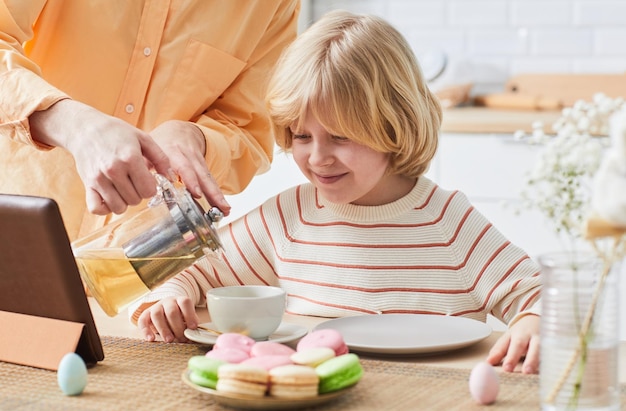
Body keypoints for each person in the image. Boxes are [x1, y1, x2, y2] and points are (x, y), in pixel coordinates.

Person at [132, 10, 542, 374]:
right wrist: (169, 298)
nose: (317, 157)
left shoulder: (447, 221)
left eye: (341, 136)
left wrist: (533, 322)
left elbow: (539, 296)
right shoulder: (290, 217)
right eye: (301, 135)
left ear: (394, 125)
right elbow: (187, 267)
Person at [0, 1, 300, 240]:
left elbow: (248, 131)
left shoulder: (272, 6)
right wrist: (74, 126)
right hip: (18, 240)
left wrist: (197, 137)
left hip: (148, 273)